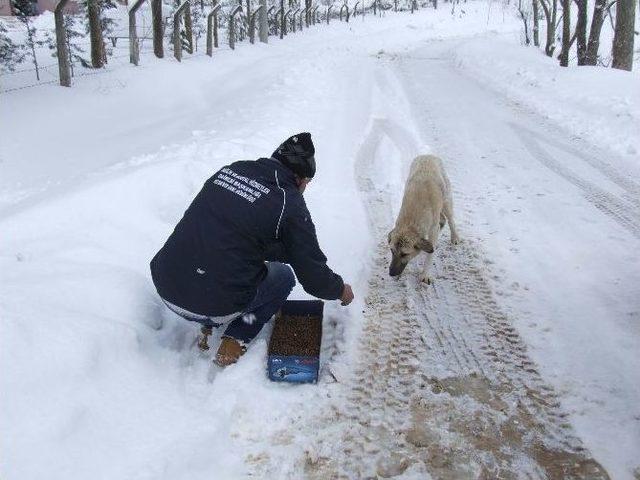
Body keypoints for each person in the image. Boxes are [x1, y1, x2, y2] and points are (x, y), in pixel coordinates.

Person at [150, 133, 354, 366]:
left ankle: (208, 315)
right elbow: (313, 278)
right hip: (214, 305)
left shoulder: (230, 171)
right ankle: (238, 334)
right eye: (307, 182)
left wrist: (284, 250)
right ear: (299, 178)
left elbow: (232, 230)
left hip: (166, 285)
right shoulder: (289, 202)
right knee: (283, 277)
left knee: (220, 250)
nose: (305, 188)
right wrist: (340, 290)